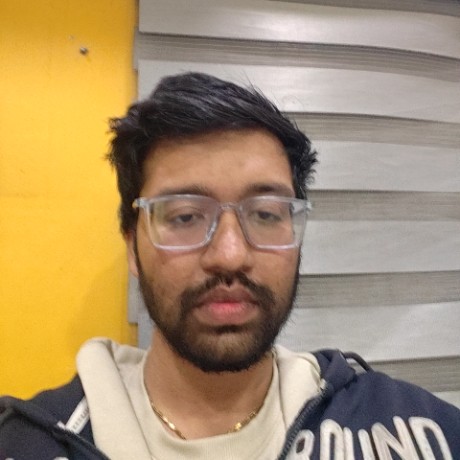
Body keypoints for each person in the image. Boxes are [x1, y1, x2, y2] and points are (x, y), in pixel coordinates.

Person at [0, 72, 459, 460]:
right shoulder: (24, 444)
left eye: (266, 214)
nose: (230, 255)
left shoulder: (418, 434)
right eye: (185, 216)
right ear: (132, 247)